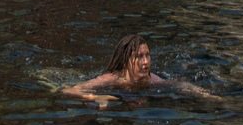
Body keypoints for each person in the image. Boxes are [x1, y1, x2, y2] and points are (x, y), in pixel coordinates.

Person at [62, 34, 216, 105]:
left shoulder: (152, 80)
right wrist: (95, 97)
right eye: (139, 56)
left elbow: (180, 85)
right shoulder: (112, 78)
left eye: (147, 55)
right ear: (126, 60)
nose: (145, 62)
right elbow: (69, 90)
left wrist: (208, 96)